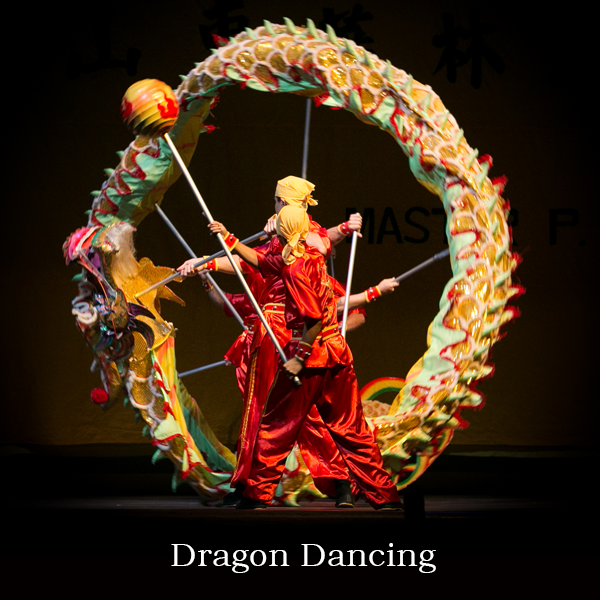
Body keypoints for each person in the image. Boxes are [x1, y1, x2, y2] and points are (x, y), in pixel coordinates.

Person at [178, 176, 365, 507]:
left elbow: (254, 260)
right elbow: (253, 259)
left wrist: (210, 260)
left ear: (285, 204)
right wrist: (206, 262)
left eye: (278, 201)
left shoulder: (295, 241)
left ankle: (263, 486)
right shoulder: (301, 238)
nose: (275, 206)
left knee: (267, 412)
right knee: (288, 414)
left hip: (280, 333)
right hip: (285, 334)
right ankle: (329, 484)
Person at [208, 205, 402, 510]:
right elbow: (261, 260)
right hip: (338, 356)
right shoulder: (306, 257)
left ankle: (256, 495)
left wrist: (299, 357)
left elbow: (313, 320)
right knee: (352, 431)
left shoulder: (296, 269)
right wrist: (229, 238)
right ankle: (386, 496)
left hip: (313, 360)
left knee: (276, 427)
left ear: (285, 232)